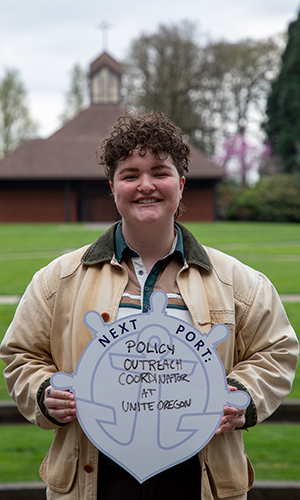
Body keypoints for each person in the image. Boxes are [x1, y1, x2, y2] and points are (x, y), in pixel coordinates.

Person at [0, 111, 298, 500]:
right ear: (113, 188)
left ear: (181, 184)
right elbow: (22, 355)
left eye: (159, 172)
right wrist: (44, 393)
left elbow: (277, 351)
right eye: (130, 175)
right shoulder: (58, 280)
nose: (146, 186)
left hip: (202, 484)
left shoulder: (238, 282)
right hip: (92, 484)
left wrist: (242, 394)